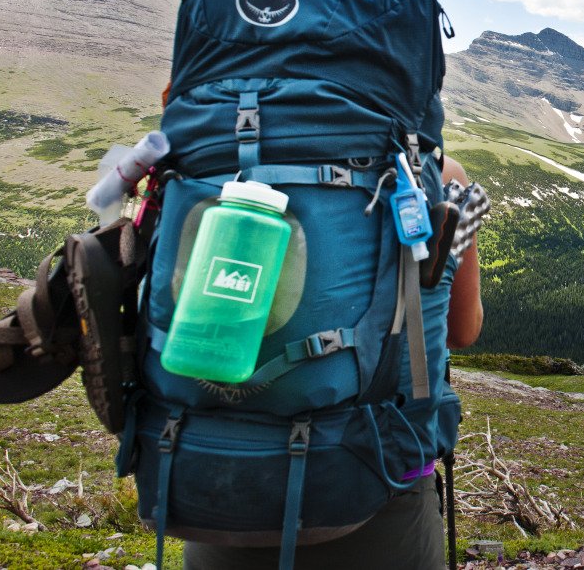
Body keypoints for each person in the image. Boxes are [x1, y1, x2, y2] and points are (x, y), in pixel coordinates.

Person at [182, 154, 482, 570]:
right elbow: (462, 330)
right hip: (386, 490)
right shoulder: (439, 173)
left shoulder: (212, 154)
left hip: (218, 480)